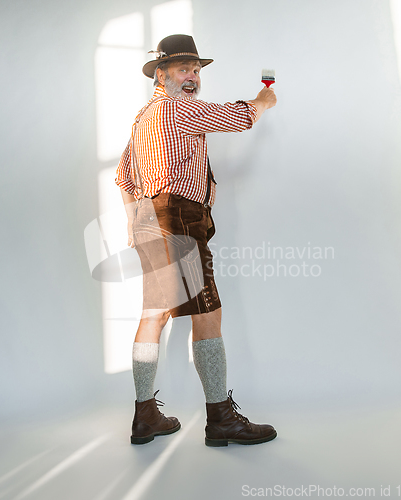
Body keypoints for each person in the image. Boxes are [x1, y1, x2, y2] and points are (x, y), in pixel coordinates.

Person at [115, 34, 277, 447]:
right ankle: (220, 418)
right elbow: (237, 117)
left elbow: (124, 178)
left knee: (154, 313)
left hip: (151, 219)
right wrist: (262, 102)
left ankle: (144, 415)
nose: (193, 77)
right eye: (184, 69)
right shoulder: (175, 107)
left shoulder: (142, 118)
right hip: (180, 217)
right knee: (208, 312)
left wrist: (137, 223)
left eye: (197, 70)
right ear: (162, 74)